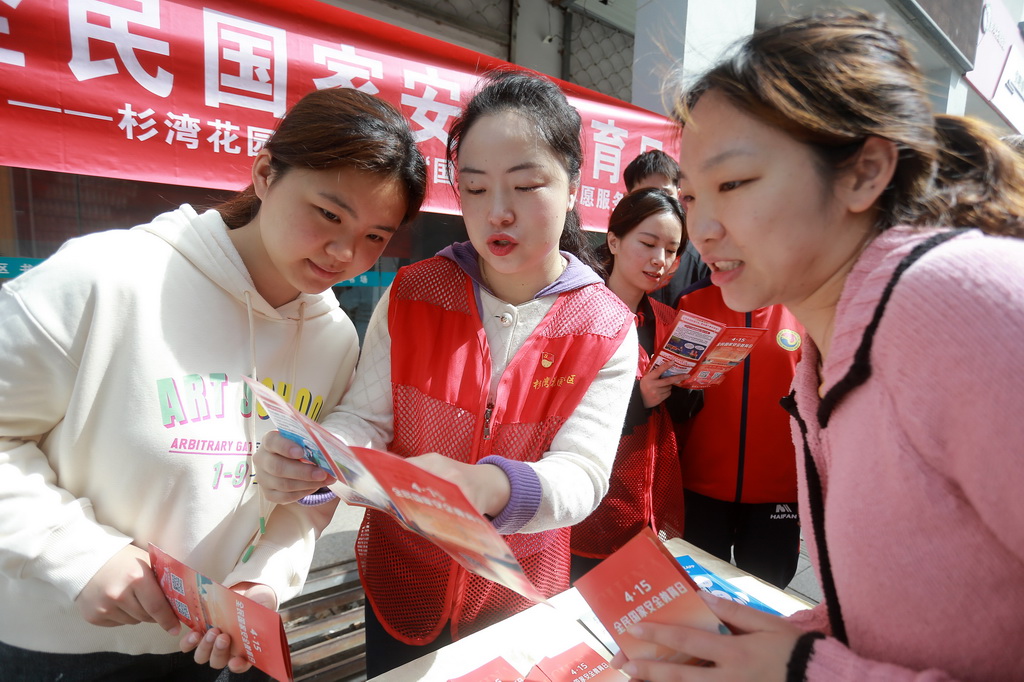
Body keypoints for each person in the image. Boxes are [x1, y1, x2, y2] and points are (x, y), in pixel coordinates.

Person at [612, 10, 1024, 681]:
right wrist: (795, 635)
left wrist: (803, 667)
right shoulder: (829, 343)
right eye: (690, 197)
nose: (703, 228)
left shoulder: (961, 304)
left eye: (734, 184)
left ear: (863, 174)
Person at [0, 87, 427, 681]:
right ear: (264, 172)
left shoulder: (333, 339)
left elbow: (308, 494)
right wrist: (77, 554)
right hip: (58, 652)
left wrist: (265, 582)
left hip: (215, 649)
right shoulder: (106, 280)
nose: (343, 251)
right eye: (329, 214)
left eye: (376, 237)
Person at [253, 69, 638, 676]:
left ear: (573, 188)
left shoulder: (605, 323)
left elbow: (584, 474)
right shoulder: (415, 291)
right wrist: (322, 456)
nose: (498, 213)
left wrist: (488, 487)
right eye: (476, 189)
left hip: (519, 595)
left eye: (527, 185)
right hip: (402, 584)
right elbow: (366, 418)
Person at [569, 188, 702, 582]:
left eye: (672, 249)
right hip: (595, 508)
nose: (659, 260)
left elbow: (679, 416)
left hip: (652, 502)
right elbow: (561, 408)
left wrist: (691, 386)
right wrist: (638, 399)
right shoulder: (578, 315)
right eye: (647, 243)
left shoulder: (666, 318)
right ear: (613, 240)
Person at [623, 150, 710, 306]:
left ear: (679, 195)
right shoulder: (603, 260)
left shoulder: (702, 261)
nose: (658, 203)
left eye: (665, 194)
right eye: (647, 194)